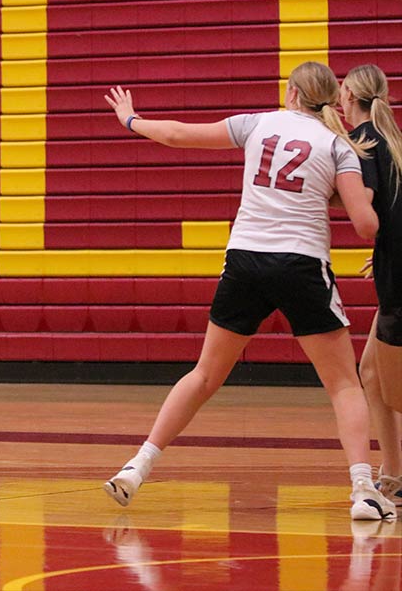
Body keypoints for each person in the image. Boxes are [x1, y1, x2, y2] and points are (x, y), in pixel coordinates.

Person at [101, 61, 395, 520]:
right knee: (342, 384)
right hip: (301, 264)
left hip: (245, 260)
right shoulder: (338, 145)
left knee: (203, 376)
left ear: (293, 94)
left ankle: (136, 467)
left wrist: (131, 120)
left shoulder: (258, 123)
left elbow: (179, 135)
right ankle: (363, 491)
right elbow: (364, 225)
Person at [339, 64, 402, 504]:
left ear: (347, 96)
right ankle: (394, 474)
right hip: (393, 268)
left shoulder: (364, 145)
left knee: (396, 390)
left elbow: (367, 215)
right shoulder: (392, 142)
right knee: (370, 375)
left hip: (398, 283)